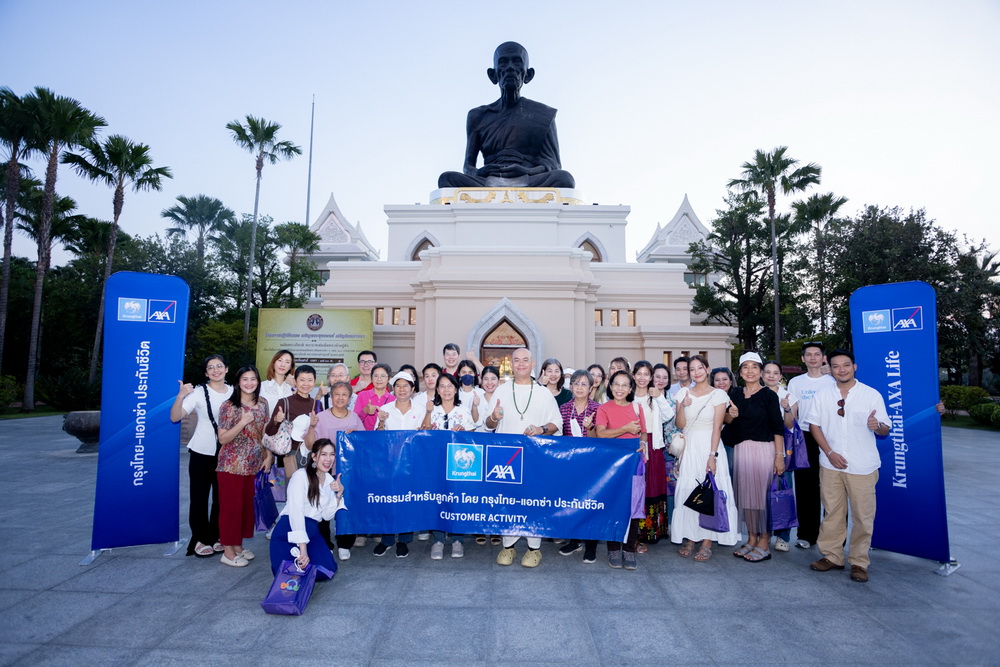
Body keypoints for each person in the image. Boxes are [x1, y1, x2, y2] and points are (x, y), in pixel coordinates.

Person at [438, 41, 574, 189]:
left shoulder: (543, 113)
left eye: (516, 62)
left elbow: (553, 164)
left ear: (528, 75)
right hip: (489, 179)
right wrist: (479, 172)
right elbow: (468, 167)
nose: (510, 68)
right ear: (493, 75)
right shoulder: (477, 116)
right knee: (447, 179)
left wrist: (528, 170)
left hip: (528, 178)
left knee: (564, 179)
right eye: (503, 63)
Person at [807, 349, 890, 584]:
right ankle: (832, 556)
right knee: (832, 513)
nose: (841, 369)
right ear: (829, 369)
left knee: (863, 517)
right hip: (831, 465)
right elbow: (815, 426)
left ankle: (859, 562)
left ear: (854, 367)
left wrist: (877, 425)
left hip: (862, 466)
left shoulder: (871, 395)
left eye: (846, 365)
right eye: (835, 366)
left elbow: (885, 428)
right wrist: (830, 453)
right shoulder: (822, 395)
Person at [484, 347, 561, 567]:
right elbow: (488, 426)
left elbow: (557, 423)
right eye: (516, 360)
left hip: (535, 456)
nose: (520, 364)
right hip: (506, 456)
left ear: (533, 364)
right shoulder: (501, 391)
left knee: (533, 500)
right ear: (511, 364)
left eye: (525, 360)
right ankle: (508, 547)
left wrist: (541, 428)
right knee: (508, 500)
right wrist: (494, 417)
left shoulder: (543, 392)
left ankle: (533, 549)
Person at [671, 355, 740, 561]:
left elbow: (717, 427)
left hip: (710, 446)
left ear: (707, 369)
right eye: (692, 369)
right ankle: (691, 537)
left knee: (711, 490)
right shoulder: (683, 393)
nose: (696, 372)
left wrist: (712, 456)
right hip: (689, 447)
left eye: (700, 368)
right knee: (690, 490)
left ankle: (708, 540)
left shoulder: (718, 395)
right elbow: (680, 424)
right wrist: (683, 405)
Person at [725, 352, 785, 563]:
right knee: (747, 497)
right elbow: (727, 421)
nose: (750, 371)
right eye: (745, 367)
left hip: (764, 451)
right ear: (739, 372)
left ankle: (764, 541)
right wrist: (729, 416)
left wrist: (779, 456)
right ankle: (751, 538)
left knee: (762, 498)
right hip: (742, 450)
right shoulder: (735, 394)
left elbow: (778, 428)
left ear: (760, 371)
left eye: (754, 367)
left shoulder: (769, 395)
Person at [171, 354, 230, 557]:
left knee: (221, 499)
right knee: (199, 498)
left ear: (226, 369)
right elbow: (175, 417)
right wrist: (181, 396)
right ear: (206, 373)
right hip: (201, 452)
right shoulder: (197, 393)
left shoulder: (234, 392)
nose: (216, 370)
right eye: (211, 367)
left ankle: (215, 536)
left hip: (226, 455)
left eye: (219, 366)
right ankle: (199, 539)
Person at [216, 365, 272, 566]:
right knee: (231, 508)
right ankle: (228, 552)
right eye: (245, 379)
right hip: (232, 465)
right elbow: (222, 439)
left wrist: (268, 456)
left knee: (245, 508)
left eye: (253, 379)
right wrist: (242, 422)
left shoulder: (263, 403)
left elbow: (265, 433)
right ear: (238, 382)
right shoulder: (229, 406)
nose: (249, 383)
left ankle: (237, 546)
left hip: (254, 465)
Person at [268, 438, 345, 580]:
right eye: (324, 454)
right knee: (289, 575)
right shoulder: (300, 476)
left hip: (312, 531)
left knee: (328, 570)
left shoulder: (329, 480)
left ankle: (301, 573)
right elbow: (296, 513)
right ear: (314, 456)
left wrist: (339, 494)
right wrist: (302, 549)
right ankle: (296, 571)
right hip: (289, 530)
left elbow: (327, 516)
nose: (329, 459)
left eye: (332, 454)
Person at [307, 380, 364, 560]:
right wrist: (311, 426)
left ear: (349, 398)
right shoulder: (321, 417)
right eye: (336, 394)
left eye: (344, 395)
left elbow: (363, 444)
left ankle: (345, 543)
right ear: (331, 397)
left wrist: (355, 435)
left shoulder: (354, 417)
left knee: (345, 508)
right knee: (322, 508)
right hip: (324, 472)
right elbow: (310, 445)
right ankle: (325, 544)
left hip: (347, 472)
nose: (340, 398)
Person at [595, 370, 646, 570]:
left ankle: (630, 549)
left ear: (631, 388)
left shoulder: (637, 407)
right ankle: (613, 548)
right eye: (617, 384)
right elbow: (601, 434)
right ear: (610, 385)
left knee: (633, 507)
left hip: (634, 463)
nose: (620, 389)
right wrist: (625, 428)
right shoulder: (604, 408)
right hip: (612, 464)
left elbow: (643, 433)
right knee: (613, 505)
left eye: (625, 385)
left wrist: (643, 444)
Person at [787, 341, 836, 549]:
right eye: (809, 354)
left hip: (830, 436)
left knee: (831, 488)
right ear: (803, 359)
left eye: (817, 354)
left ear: (823, 358)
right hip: (804, 437)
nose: (813, 357)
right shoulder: (796, 382)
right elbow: (792, 413)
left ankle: (832, 537)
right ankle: (807, 534)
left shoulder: (832, 381)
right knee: (806, 487)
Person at [421, 373, 475, 559]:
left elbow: (472, 438)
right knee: (437, 498)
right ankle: (438, 539)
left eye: (450, 386)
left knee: (456, 498)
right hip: (434, 463)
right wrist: (428, 413)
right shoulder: (431, 409)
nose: (446, 390)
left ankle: (457, 539)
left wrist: (463, 432)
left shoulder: (463, 411)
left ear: (456, 389)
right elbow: (422, 431)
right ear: (437, 390)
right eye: (442, 386)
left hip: (458, 465)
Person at [374, 371, 422, 558]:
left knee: (406, 501)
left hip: (411, 464)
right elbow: (377, 437)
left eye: (406, 386)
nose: (402, 390)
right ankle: (387, 540)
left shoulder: (419, 410)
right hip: (389, 463)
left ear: (412, 389)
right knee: (388, 500)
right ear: (393, 389)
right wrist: (382, 422)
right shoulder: (385, 409)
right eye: (398, 386)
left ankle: (404, 541)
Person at [557, 369, 601, 562]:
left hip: (593, 464)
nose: (580, 387)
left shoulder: (599, 409)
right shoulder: (564, 409)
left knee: (592, 503)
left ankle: (591, 545)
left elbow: (600, 439)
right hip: (570, 464)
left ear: (591, 388)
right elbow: (560, 437)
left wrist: (590, 427)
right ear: (571, 386)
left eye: (584, 384)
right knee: (572, 502)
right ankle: (574, 540)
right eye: (576, 383)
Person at [632, 360, 675, 550]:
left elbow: (668, 416)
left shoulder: (655, 396)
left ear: (650, 378)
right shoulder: (628, 395)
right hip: (633, 445)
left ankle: (649, 532)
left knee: (651, 488)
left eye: (646, 374)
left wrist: (658, 396)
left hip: (653, 446)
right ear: (633, 375)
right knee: (635, 488)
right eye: (639, 373)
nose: (642, 377)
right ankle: (632, 535)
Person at [763, 359, 798, 552]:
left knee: (783, 491)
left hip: (781, 450)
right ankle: (764, 533)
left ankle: (783, 536)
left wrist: (786, 408)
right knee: (763, 494)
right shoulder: (757, 393)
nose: (770, 376)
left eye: (775, 373)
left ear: (780, 376)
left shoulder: (788, 396)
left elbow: (790, 425)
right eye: (767, 372)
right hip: (760, 448)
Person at [264, 365, 320, 479]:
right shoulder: (284, 402)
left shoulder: (317, 404)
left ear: (314, 382)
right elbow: (269, 432)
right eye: (302, 380)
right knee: (292, 491)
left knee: (311, 492)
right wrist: (276, 420)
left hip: (312, 455)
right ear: (295, 381)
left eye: (310, 380)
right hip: (291, 455)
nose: (306, 384)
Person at [354, 363, 394, 431]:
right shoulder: (362, 395)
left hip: (385, 438)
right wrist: (364, 411)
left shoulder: (393, 399)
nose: (379, 379)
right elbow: (354, 420)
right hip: (365, 437)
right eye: (376, 376)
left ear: (389, 379)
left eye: (383, 376)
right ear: (371, 379)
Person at [259, 350, 295, 419]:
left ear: (290, 366)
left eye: (287, 362)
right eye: (280, 360)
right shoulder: (262, 386)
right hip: (267, 428)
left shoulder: (292, 388)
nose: (282, 365)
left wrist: (294, 386)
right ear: (274, 362)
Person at [455, 359, 485, 427]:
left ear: (474, 374)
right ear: (459, 374)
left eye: (470, 372)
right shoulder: (454, 393)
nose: (467, 375)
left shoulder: (481, 392)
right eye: (464, 372)